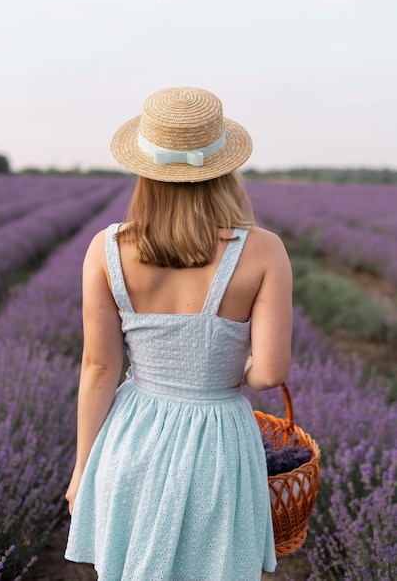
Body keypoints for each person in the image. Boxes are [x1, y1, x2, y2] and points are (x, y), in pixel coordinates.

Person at [65, 86, 292, 581]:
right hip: (218, 443)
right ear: (225, 168)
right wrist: (225, 360)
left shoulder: (105, 249)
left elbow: (100, 368)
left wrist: (84, 468)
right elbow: (269, 373)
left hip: (131, 439)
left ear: (144, 168)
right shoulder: (265, 250)